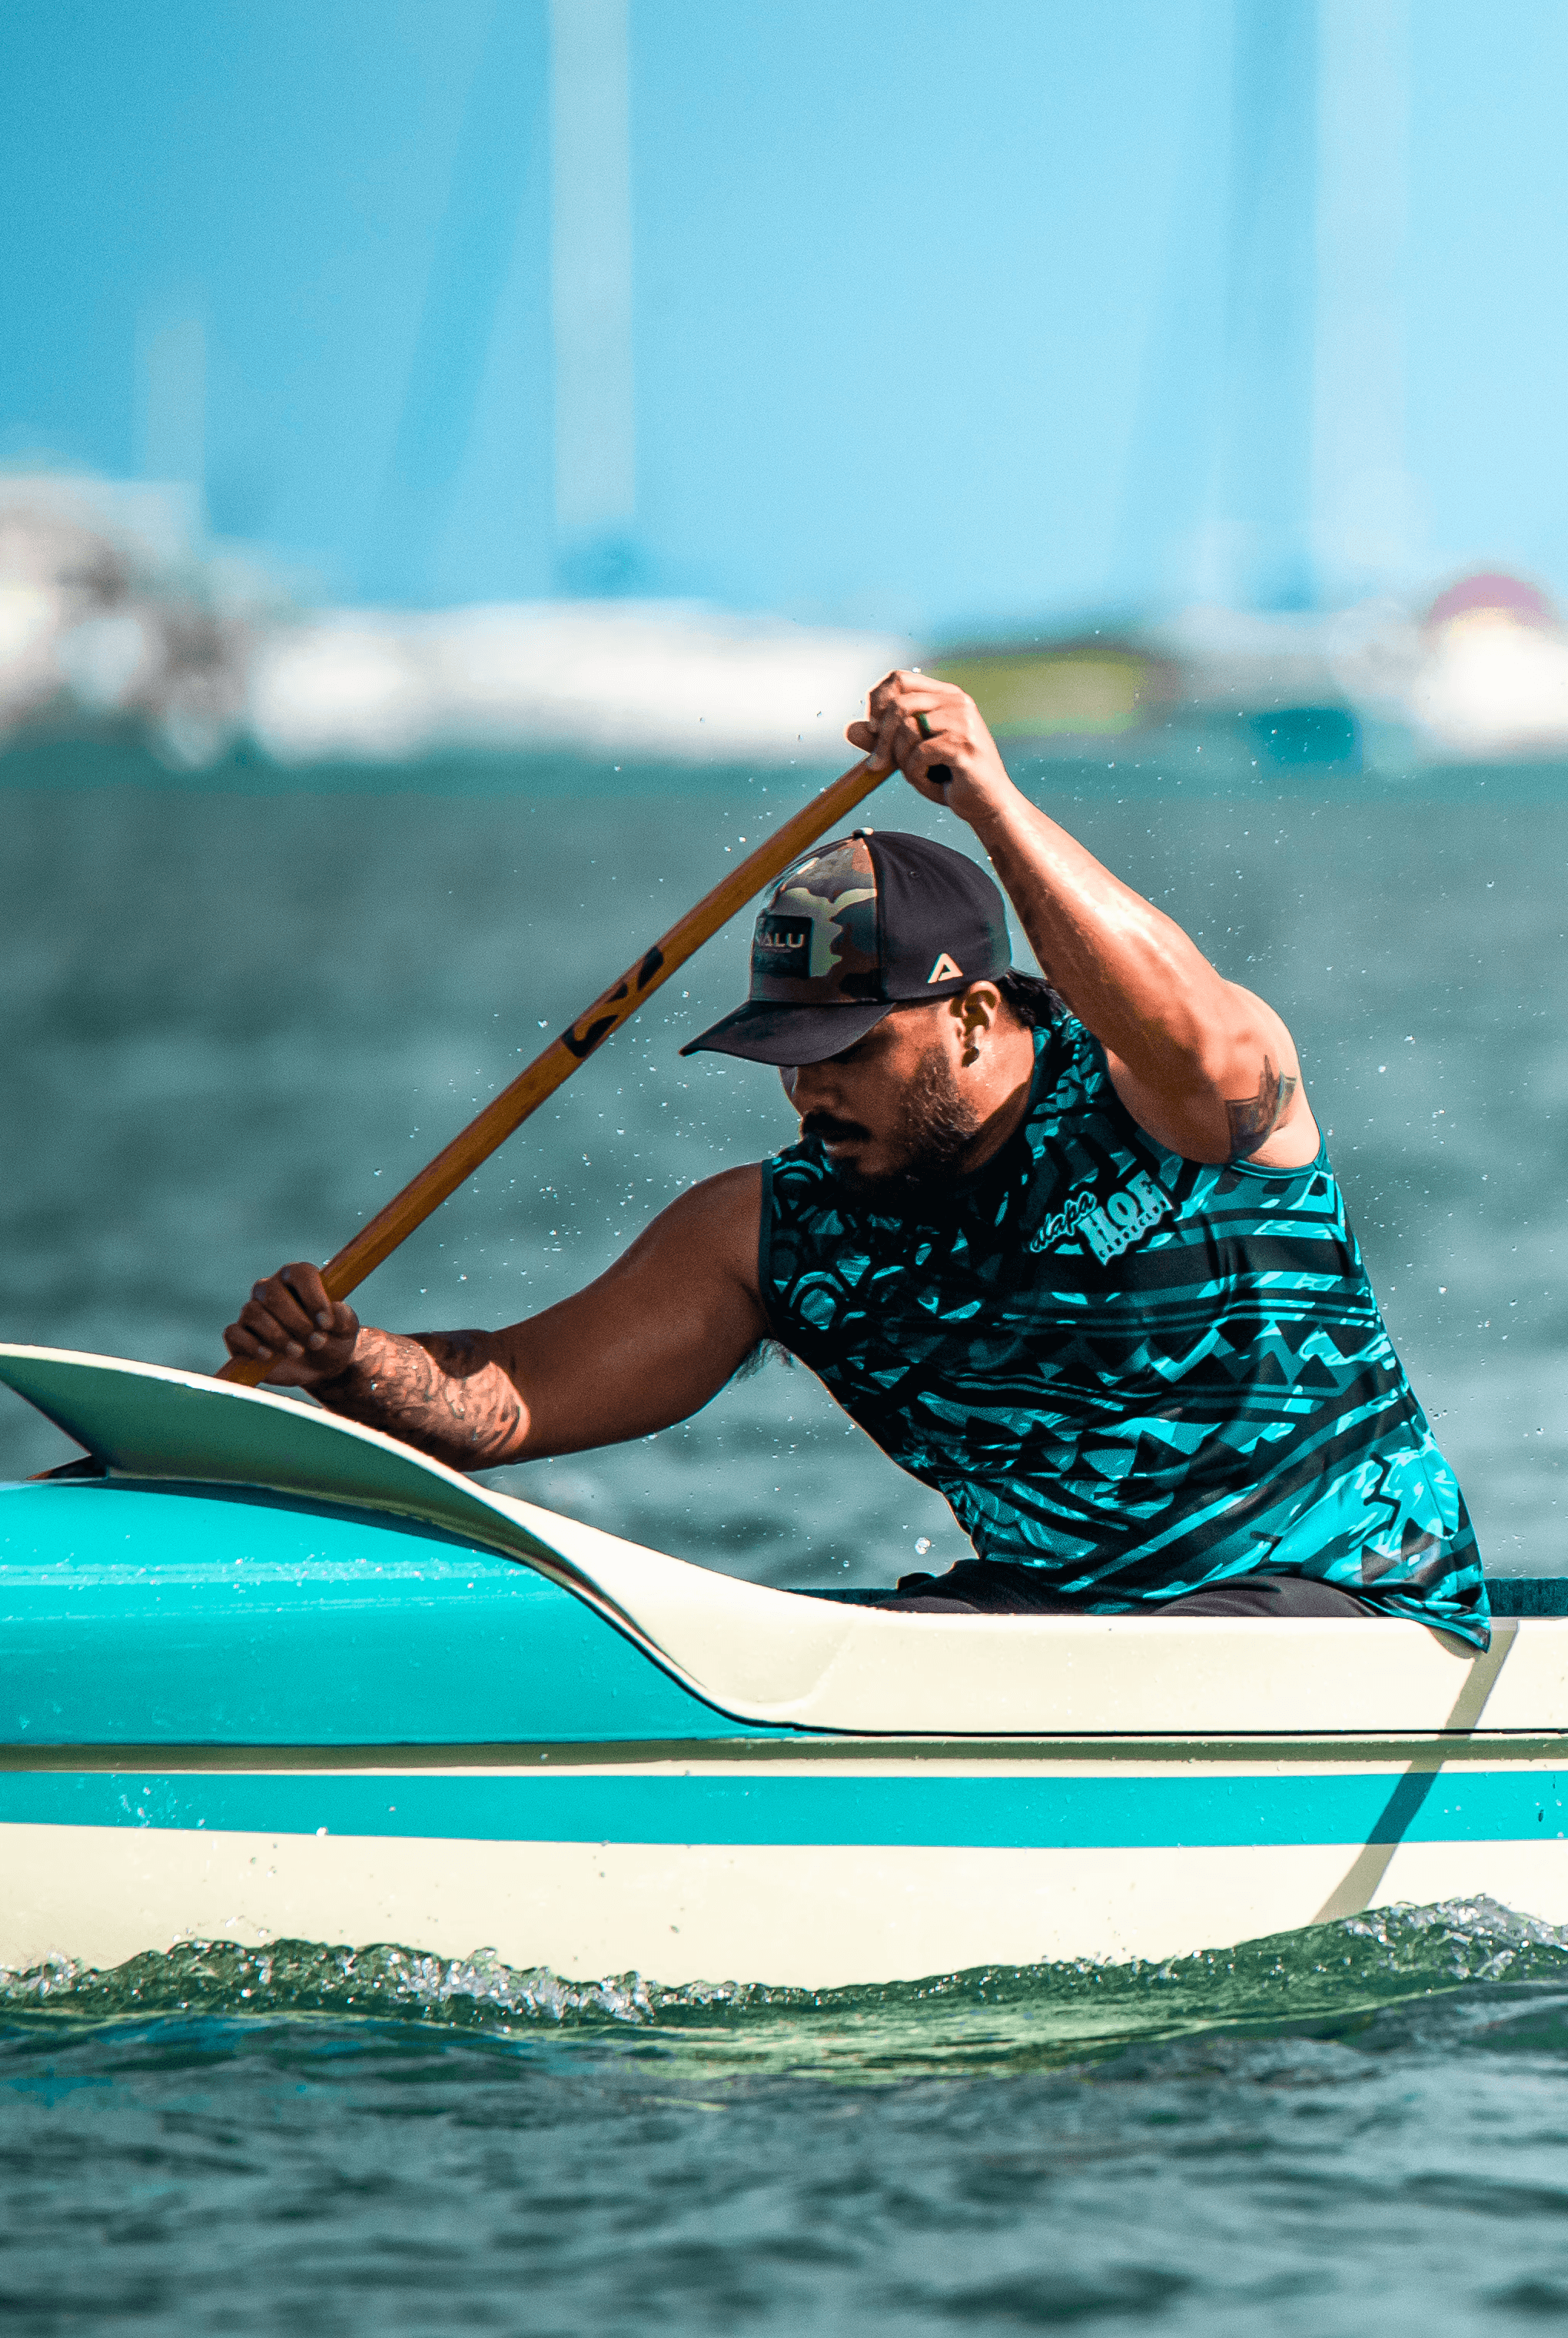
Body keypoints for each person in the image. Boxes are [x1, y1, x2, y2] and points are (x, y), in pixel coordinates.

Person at [224, 669, 1487, 1644]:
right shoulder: (778, 1235)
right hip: (1048, 1632)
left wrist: (987, 798)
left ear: (979, 1014)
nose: (808, 1087)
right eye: (785, 1048)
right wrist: (345, 1359)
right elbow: (503, 1401)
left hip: (1341, 1612)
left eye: (849, 1048)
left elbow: (1189, 1030)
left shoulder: (1172, 1102)